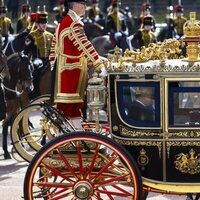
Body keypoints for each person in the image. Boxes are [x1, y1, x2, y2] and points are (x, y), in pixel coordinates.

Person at [50, 0, 105, 130]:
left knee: (75, 107)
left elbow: (54, 48)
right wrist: (99, 65)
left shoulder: (67, 21)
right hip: (71, 71)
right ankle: (63, 139)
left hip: (69, 69)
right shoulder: (73, 23)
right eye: (83, 4)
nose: (85, 7)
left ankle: (76, 134)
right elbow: (84, 45)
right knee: (67, 107)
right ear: (75, 5)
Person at [24, 9, 54, 98]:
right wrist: (32, 59)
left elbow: (53, 49)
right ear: (37, 24)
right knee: (35, 74)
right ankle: (34, 93)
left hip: (48, 60)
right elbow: (26, 51)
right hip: (36, 59)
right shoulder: (31, 35)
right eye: (42, 23)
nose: (44, 25)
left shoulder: (50, 35)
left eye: (45, 23)